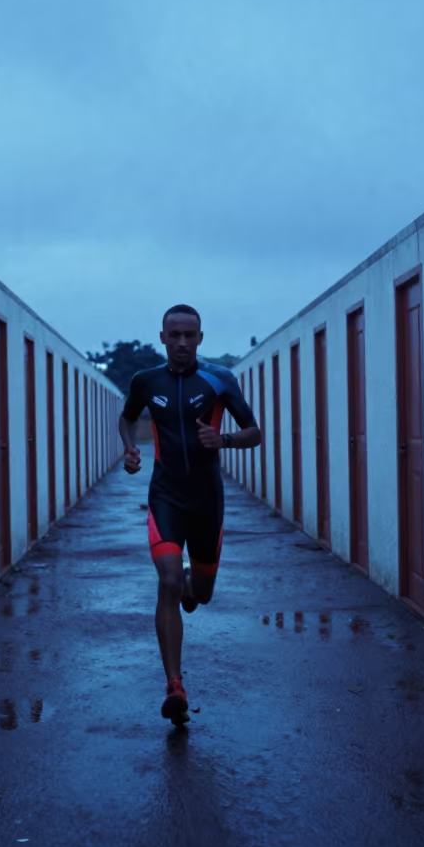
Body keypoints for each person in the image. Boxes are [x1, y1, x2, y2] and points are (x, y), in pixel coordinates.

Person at [118, 304, 262, 725]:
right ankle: (174, 684)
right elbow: (126, 420)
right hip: (165, 495)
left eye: (190, 335)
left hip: (206, 501)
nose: (182, 342)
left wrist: (225, 439)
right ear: (162, 337)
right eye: (174, 334)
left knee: (200, 594)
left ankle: (189, 586)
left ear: (201, 339)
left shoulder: (220, 380)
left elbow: (255, 432)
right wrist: (129, 449)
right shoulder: (145, 381)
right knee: (164, 578)